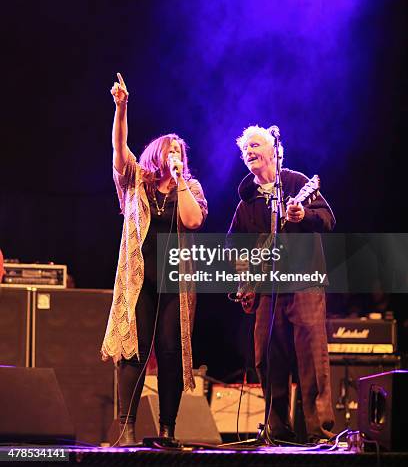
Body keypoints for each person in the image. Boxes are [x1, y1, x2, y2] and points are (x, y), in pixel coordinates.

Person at [101, 73, 207, 446]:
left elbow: (194, 220)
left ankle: (167, 431)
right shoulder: (135, 180)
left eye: (180, 151)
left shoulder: (189, 188)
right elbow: (119, 148)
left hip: (175, 285)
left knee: (171, 353)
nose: (175, 155)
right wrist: (122, 107)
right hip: (139, 281)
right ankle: (127, 429)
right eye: (169, 150)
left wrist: (180, 180)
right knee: (134, 351)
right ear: (156, 153)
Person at [228, 125, 335, 444]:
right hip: (267, 291)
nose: (249, 151)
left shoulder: (297, 183)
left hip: (303, 283)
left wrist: (303, 217)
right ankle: (278, 431)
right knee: (266, 359)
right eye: (245, 147)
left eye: (255, 144)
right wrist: (245, 274)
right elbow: (233, 244)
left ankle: (319, 431)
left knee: (311, 359)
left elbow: (328, 220)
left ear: (274, 149)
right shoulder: (246, 198)